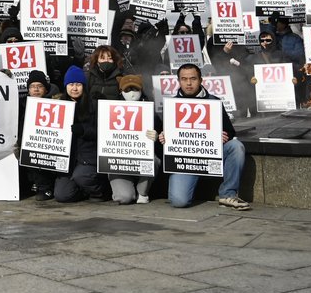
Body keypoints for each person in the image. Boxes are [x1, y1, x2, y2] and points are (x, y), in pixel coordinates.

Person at [155, 63, 251, 211]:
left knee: (236, 146)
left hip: (210, 155)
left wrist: (222, 136)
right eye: (184, 79)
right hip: (185, 161)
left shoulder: (214, 101)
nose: (188, 83)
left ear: (201, 80)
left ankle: (228, 194)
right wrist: (162, 140)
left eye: (193, 78)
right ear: (178, 81)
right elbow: (162, 144)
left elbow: (230, 132)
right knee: (179, 201)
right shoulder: (171, 105)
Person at [53, 71, 108, 203]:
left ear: (84, 86)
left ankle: (101, 191)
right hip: (68, 159)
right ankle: (84, 190)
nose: (74, 88)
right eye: (71, 84)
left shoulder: (95, 105)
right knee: (62, 195)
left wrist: (84, 130)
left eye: (78, 84)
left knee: (82, 176)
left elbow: (104, 133)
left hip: (88, 156)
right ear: (66, 86)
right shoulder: (58, 106)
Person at [106, 74, 154, 205]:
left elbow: (161, 138)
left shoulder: (150, 109)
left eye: (135, 89)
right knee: (124, 198)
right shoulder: (109, 110)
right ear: (120, 92)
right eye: (127, 90)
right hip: (119, 162)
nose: (132, 93)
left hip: (141, 159)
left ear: (141, 90)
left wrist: (157, 135)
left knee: (154, 160)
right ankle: (127, 189)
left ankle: (142, 192)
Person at [17, 71, 60, 199]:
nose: (36, 89)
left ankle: (46, 188)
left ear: (46, 89)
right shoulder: (21, 104)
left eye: (40, 86)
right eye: (32, 86)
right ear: (28, 89)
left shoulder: (56, 104)